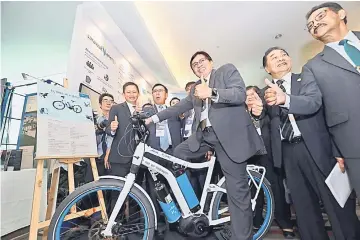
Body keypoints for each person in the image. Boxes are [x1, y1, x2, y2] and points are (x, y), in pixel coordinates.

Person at [146, 51, 264, 240]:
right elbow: (179, 107)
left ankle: (242, 237)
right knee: (178, 153)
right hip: (205, 137)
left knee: (237, 191)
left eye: (202, 61)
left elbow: (239, 93)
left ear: (211, 62)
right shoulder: (194, 89)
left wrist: (212, 92)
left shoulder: (226, 71)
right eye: (194, 64)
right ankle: (193, 207)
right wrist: (152, 118)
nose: (199, 65)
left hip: (228, 137)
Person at [263, 46, 360, 240]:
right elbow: (267, 125)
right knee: (303, 208)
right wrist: (258, 113)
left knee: (336, 204)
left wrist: (286, 99)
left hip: (317, 149)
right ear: (267, 68)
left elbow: (313, 103)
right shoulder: (264, 94)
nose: (281, 58)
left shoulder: (306, 78)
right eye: (274, 57)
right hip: (288, 154)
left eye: (284, 54)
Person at [302, 2, 360, 199]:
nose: (314, 25)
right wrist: (286, 99)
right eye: (310, 26)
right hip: (354, 143)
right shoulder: (313, 67)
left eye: (319, 17)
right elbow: (315, 105)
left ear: (341, 14)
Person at [246, 86, 295, 238]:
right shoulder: (241, 116)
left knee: (276, 188)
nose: (250, 98)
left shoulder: (268, 112)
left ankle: (284, 222)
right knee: (255, 190)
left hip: (269, 155)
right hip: (250, 157)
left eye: (253, 95)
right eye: (247, 96)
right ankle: (257, 219)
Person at [85, 93, 114, 183]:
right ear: (100, 105)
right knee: (90, 184)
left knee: (108, 186)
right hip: (95, 157)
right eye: (105, 100)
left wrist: (108, 155)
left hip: (111, 158)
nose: (108, 103)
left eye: (111, 101)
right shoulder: (95, 120)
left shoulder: (117, 121)